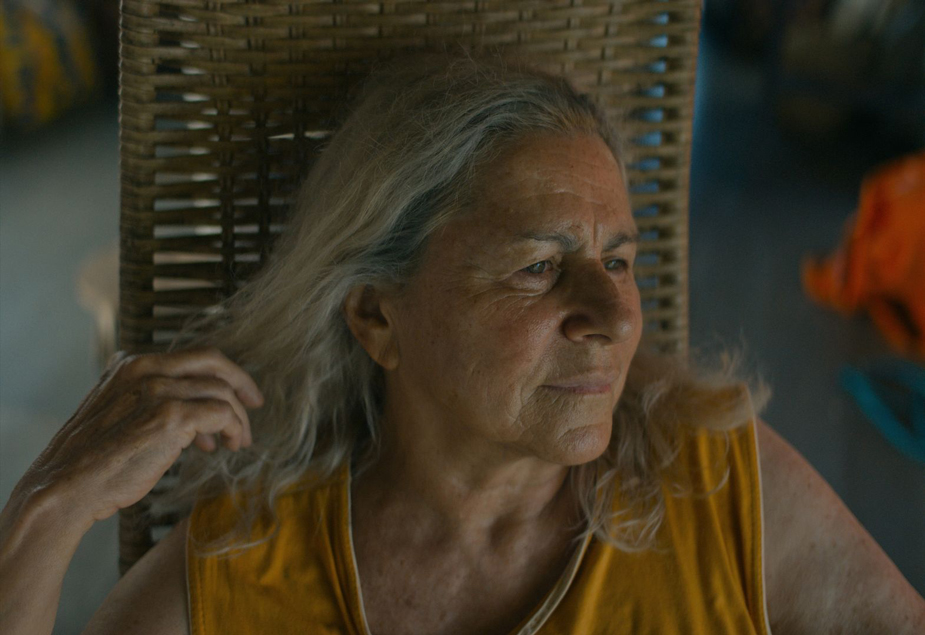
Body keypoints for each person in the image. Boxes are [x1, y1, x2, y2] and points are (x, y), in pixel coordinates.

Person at [2, 47, 924, 635]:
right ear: (377, 316)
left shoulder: (714, 482)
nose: (614, 316)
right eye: (538, 267)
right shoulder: (248, 574)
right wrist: (45, 511)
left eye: (617, 259)